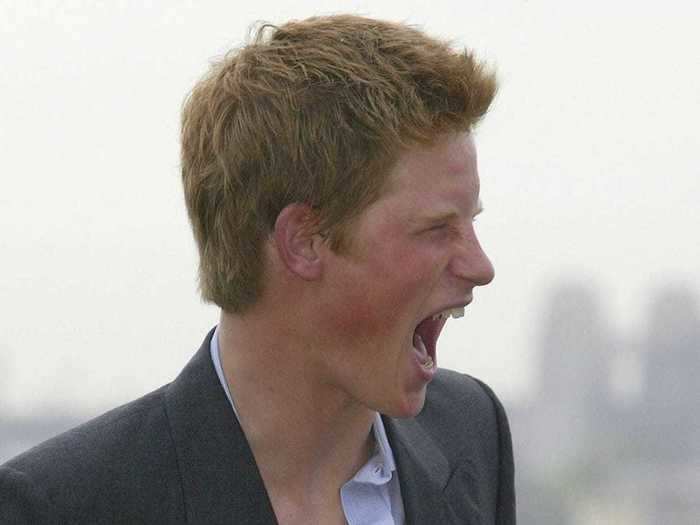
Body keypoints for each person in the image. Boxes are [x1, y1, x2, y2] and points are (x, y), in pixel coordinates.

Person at [0, 14, 515, 524]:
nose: (481, 266)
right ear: (304, 241)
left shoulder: (471, 430)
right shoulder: (60, 507)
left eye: (471, 223)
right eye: (436, 229)